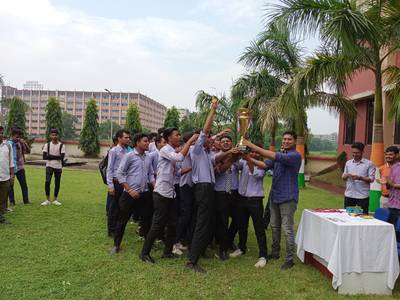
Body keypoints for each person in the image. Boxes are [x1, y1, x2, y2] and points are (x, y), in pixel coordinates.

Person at [241, 131, 301, 270]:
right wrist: (248, 158)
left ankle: (289, 259)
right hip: (275, 196)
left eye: (289, 139)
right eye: (284, 139)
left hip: (288, 197)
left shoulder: (294, 156)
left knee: (287, 229)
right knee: (274, 226)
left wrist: (251, 145)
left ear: (294, 141)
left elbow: (272, 155)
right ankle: (275, 252)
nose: (286, 141)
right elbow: (264, 165)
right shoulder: (282, 155)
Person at [140, 128, 198, 263]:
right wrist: (190, 141)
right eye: (177, 135)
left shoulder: (171, 151)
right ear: (169, 138)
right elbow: (179, 158)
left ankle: (167, 252)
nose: (179, 137)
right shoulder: (165, 149)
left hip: (170, 193)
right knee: (157, 224)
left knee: (173, 223)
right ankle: (144, 253)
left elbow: (177, 172)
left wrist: (192, 167)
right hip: (161, 193)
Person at [186, 98, 218, 273]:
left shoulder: (205, 152)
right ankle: (192, 261)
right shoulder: (197, 150)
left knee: (202, 222)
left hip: (207, 188)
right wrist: (212, 110)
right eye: (208, 137)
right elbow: (205, 131)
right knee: (202, 223)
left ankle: (196, 252)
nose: (211, 139)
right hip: (203, 188)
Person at [111, 133, 155, 254]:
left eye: (148, 141)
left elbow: (151, 173)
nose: (148, 143)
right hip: (129, 194)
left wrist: (153, 183)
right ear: (137, 143)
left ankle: (146, 242)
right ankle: (116, 244)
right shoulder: (129, 156)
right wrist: (129, 190)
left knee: (146, 219)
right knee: (122, 220)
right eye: (145, 141)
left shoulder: (148, 157)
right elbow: (120, 174)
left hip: (144, 194)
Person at [230, 150, 268, 268]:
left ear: (260, 154)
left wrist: (249, 159)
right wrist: (237, 151)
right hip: (242, 199)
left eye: (257, 152)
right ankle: (241, 248)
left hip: (255, 201)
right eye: (251, 152)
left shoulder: (262, 165)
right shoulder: (244, 162)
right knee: (242, 226)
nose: (254, 154)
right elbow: (235, 163)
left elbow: (256, 174)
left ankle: (263, 256)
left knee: (259, 229)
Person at [212, 136, 240, 260]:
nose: (225, 143)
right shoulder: (216, 156)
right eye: (223, 142)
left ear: (231, 143)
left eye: (228, 141)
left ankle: (228, 241)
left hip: (234, 192)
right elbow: (218, 171)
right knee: (222, 222)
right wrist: (230, 158)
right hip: (221, 193)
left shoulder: (237, 157)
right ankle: (223, 249)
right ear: (220, 144)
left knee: (238, 220)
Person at [106, 129, 131, 236]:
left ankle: (118, 228)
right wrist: (110, 186)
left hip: (125, 183)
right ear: (119, 138)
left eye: (129, 137)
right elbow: (109, 169)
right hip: (116, 182)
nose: (128, 139)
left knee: (122, 207)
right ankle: (111, 230)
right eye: (126, 137)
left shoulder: (128, 151)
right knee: (113, 207)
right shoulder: (114, 151)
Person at [174, 132, 195, 254]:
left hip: (192, 185)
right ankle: (174, 242)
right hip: (185, 185)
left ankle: (181, 240)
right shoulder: (186, 150)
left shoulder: (193, 149)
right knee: (185, 215)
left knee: (189, 215)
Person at [342, 142, 375, 214]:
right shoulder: (348, 163)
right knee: (348, 216)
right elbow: (344, 177)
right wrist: (345, 176)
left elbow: (371, 179)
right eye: (353, 152)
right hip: (349, 195)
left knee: (362, 217)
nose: (354, 154)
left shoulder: (369, 164)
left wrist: (359, 178)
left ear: (362, 152)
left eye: (357, 153)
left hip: (362, 196)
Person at [41, 129, 66, 206]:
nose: (54, 136)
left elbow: (61, 157)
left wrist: (50, 156)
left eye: (55, 135)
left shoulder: (62, 145)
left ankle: (55, 199)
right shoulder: (47, 145)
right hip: (49, 166)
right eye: (52, 135)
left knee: (57, 183)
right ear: (50, 136)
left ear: (58, 136)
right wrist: (56, 157)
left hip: (58, 166)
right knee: (47, 182)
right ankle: (47, 199)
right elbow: (44, 157)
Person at [8, 127, 30, 206]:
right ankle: (12, 202)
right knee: (10, 186)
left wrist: (24, 143)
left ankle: (26, 201)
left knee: (24, 185)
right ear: (12, 135)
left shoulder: (20, 143)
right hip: (11, 168)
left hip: (20, 167)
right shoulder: (8, 144)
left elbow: (28, 151)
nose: (18, 138)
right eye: (17, 137)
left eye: (19, 137)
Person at [0, 126, 14, 224]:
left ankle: (1, 217)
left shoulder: (7, 145)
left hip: (5, 177)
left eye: (1, 133)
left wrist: (12, 174)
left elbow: (11, 161)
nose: (0, 135)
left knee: (3, 199)